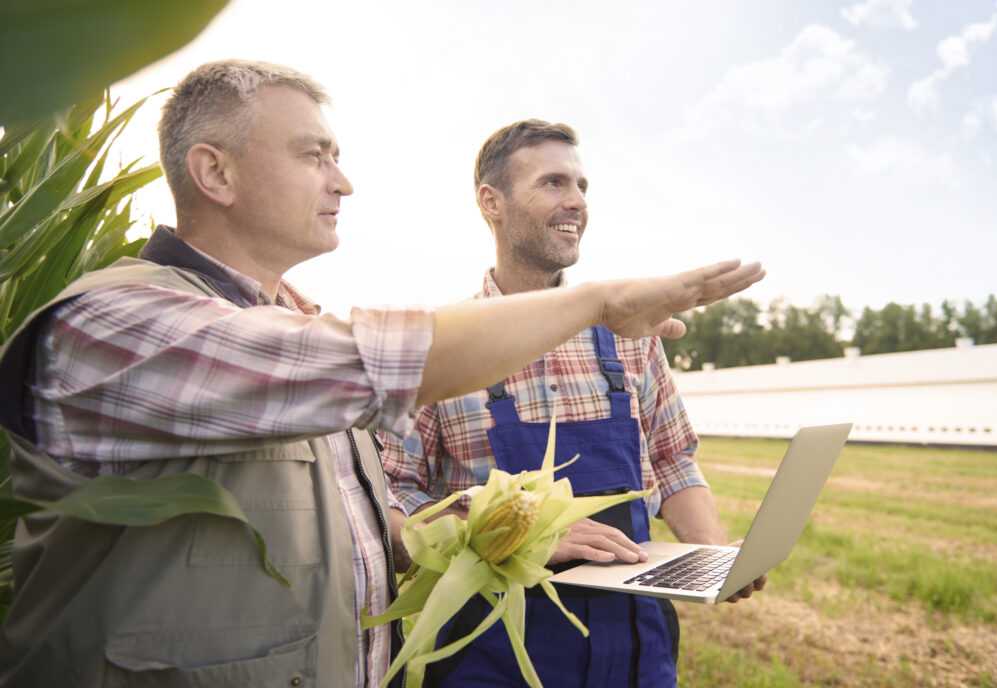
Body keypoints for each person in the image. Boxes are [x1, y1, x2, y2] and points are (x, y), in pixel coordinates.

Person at [0, 66, 763, 688]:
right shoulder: (118, 323)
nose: (344, 182)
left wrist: (510, 534)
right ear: (215, 172)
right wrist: (601, 301)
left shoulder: (292, 323)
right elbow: (378, 367)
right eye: (314, 155)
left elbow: (373, 530)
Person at [380, 119, 767, 688]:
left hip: (635, 645)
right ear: (492, 202)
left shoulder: (634, 336)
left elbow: (673, 461)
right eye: (554, 183)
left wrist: (711, 557)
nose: (577, 202)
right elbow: (389, 496)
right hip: (493, 652)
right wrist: (522, 540)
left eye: (582, 186)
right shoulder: (444, 345)